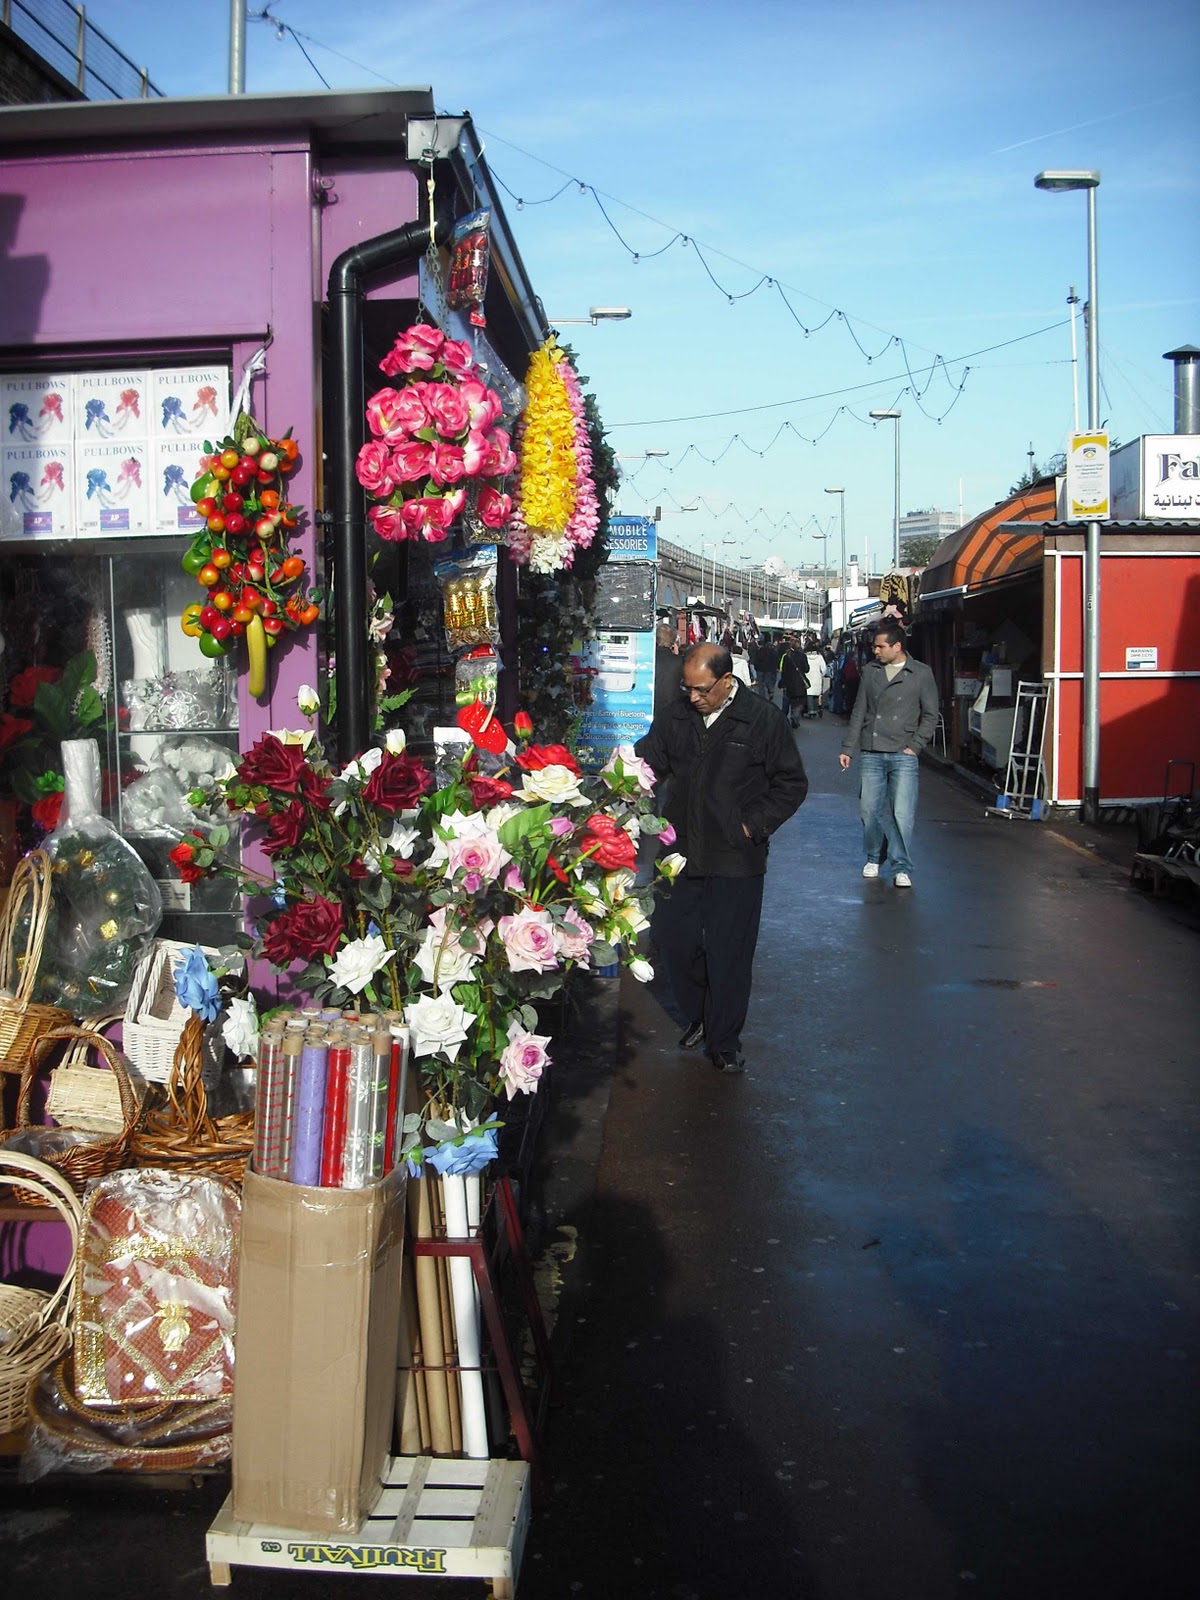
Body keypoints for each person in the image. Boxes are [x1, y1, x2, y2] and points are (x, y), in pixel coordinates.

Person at [636, 641, 808, 1073]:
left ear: (726, 682)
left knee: (729, 952)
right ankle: (700, 1012)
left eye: (701, 690)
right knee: (673, 940)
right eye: (687, 689)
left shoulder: (762, 720)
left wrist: (751, 825)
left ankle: (724, 1038)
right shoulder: (677, 715)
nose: (693, 698)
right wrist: (616, 780)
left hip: (736, 856)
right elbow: (647, 761)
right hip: (680, 852)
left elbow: (791, 783)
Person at [838, 623, 939, 888]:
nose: (875, 650)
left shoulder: (920, 673)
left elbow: (930, 714)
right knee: (869, 811)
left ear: (897, 646)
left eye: (880, 646)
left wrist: (915, 746)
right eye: (874, 646)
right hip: (871, 749)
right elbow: (859, 709)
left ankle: (900, 866)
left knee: (901, 813)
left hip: (903, 752)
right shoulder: (871, 671)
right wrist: (848, 747)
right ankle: (875, 855)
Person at [778, 637, 809, 728]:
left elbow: (784, 671)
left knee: (787, 701)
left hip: (788, 683)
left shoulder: (787, 656)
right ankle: (795, 716)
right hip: (799, 683)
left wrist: (782, 683)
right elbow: (806, 669)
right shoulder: (803, 656)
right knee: (798, 701)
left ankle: (784, 717)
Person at [654, 623, 682, 717]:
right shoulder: (680, 662)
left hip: (648, 710)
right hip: (672, 713)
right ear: (673, 642)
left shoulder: (648, 660)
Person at [752, 635, 778, 703]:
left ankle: (762, 698)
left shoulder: (759, 651)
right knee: (767, 681)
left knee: (761, 685)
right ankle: (770, 690)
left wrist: (756, 667)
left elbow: (756, 660)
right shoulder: (772, 651)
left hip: (760, 669)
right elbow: (775, 660)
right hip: (768, 669)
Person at [805, 638, 827, 719]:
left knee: (809, 695)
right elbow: (824, 669)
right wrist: (822, 674)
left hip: (808, 677)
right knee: (816, 695)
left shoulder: (805, 657)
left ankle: (810, 711)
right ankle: (816, 709)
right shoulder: (820, 657)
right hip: (817, 678)